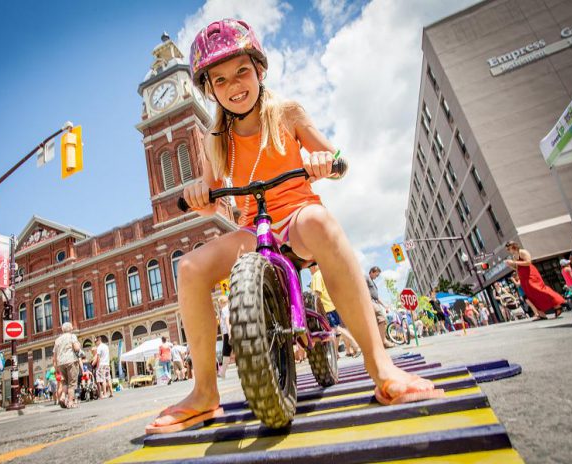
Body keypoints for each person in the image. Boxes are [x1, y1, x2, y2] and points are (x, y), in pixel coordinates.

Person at [146, 19, 443, 434]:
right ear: (209, 89)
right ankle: (205, 393)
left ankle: (382, 368)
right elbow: (209, 195)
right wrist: (198, 192)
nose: (234, 85)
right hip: (255, 228)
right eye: (220, 79)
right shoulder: (217, 139)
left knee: (321, 221)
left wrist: (324, 162)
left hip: (298, 216)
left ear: (259, 70)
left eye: (241, 72)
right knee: (190, 268)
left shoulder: (286, 113)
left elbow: (333, 158)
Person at [310, 264, 361, 357]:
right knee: (334, 331)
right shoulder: (324, 274)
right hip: (332, 305)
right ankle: (335, 354)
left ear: (313, 267)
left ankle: (356, 346)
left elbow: (316, 293)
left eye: (310, 267)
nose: (309, 270)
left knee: (336, 328)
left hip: (326, 307)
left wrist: (313, 308)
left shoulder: (316, 275)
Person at [505, 241, 564, 319]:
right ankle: (541, 314)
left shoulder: (522, 252)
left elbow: (528, 262)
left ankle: (557, 304)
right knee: (530, 295)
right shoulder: (514, 256)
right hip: (523, 277)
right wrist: (511, 265)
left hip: (531, 274)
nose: (508, 251)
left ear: (513, 246)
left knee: (539, 289)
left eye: (508, 249)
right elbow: (517, 267)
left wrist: (514, 262)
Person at [53, 322, 81, 408]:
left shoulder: (57, 340)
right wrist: (78, 345)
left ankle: (62, 397)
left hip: (60, 363)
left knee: (65, 382)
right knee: (72, 383)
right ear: (71, 328)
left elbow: (54, 355)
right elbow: (76, 348)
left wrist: (56, 367)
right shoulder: (72, 336)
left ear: (62, 330)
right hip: (71, 360)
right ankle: (70, 402)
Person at [365, 267, 395, 348]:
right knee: (381, 318)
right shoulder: (366, 278)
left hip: (374, 302)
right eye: (376, 275)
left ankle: (379, 342)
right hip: (369, 301)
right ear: (371, 272)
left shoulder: (373, 282)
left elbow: (376, 297)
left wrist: (385, 306)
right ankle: (383, 341)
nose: (376, 277)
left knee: (377, 323)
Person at [216, 296, 233, 379]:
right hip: (228, 332)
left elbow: (227, 320)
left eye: (219, 303)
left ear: (222, 302)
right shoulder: (228, 308)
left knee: (226, 352)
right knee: (226, 352)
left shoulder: (224, 309)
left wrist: (229, 333)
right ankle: (222, 372)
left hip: (227, 333)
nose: (219, 305)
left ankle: (222, 372)